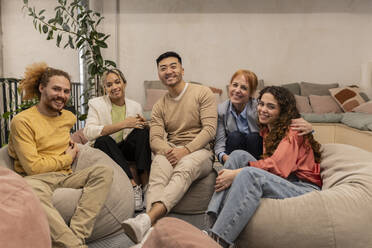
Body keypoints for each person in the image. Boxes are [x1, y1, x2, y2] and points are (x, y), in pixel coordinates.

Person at [8, 62, 113, 248]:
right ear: (41, 88)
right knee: (31, 190)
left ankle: (77, 235)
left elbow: (57, 138)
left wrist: (71, 147)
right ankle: (75, 245)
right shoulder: (22, 121)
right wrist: (67, 157)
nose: (62, 96)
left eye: (66, 91)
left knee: (104, 172)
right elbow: (33, 168)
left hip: (65, 175)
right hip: (36, 179)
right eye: (56, 89)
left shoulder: (68, 117)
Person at [206, 86, 323, 247]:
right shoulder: (268, 129)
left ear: (283, 111)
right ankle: (213, 222)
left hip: (303, 188)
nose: (263, 109)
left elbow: (278, 166)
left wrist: (237, 173)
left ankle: (217, 240)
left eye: (271, 106)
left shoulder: (294, 131)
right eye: (261, 104)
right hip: (286, 180)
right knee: (238, 154)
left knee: (249, 174)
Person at [122, 51, 217, 244]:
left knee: (185, 167)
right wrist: (169, 151)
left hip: (201, 152)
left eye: (173, 66)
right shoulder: (159, 106)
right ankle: (151, 233)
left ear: (182, 69)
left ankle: (147, 219)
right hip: (172, 149)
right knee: (157, 167)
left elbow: (209, 130)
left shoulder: (202, 92)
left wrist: (186, 150)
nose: (169, 71)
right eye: (163, 68)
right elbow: (155, 139)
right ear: (158, 74)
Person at [84, 68, 151, 211]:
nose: (114, 87)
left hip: (125, 148)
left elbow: (139, 131)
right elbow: (88, 132)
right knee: (102, 139)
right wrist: (123, 124)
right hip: (107, 149)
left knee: (143, 132)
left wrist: (145, 124)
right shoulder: (96, 104)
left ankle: (146, 186)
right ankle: (134, 187)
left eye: (117, 82)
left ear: (124, 84)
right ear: (105, 89)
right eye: (109, 85)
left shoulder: (135, 105)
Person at [215, 69, 313, 164]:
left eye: (244, 88)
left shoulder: (260, 107)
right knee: (234, 136)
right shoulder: (221, 110)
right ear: (229, 86)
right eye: (235, 85)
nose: (237, 90)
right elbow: (219, 142)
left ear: (251, 93)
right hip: (234, 149)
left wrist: (310, 128)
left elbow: (287, 116)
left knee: (253, 137)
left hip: (256, 150)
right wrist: (225, 158)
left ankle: (255, 172)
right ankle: (233, 171)